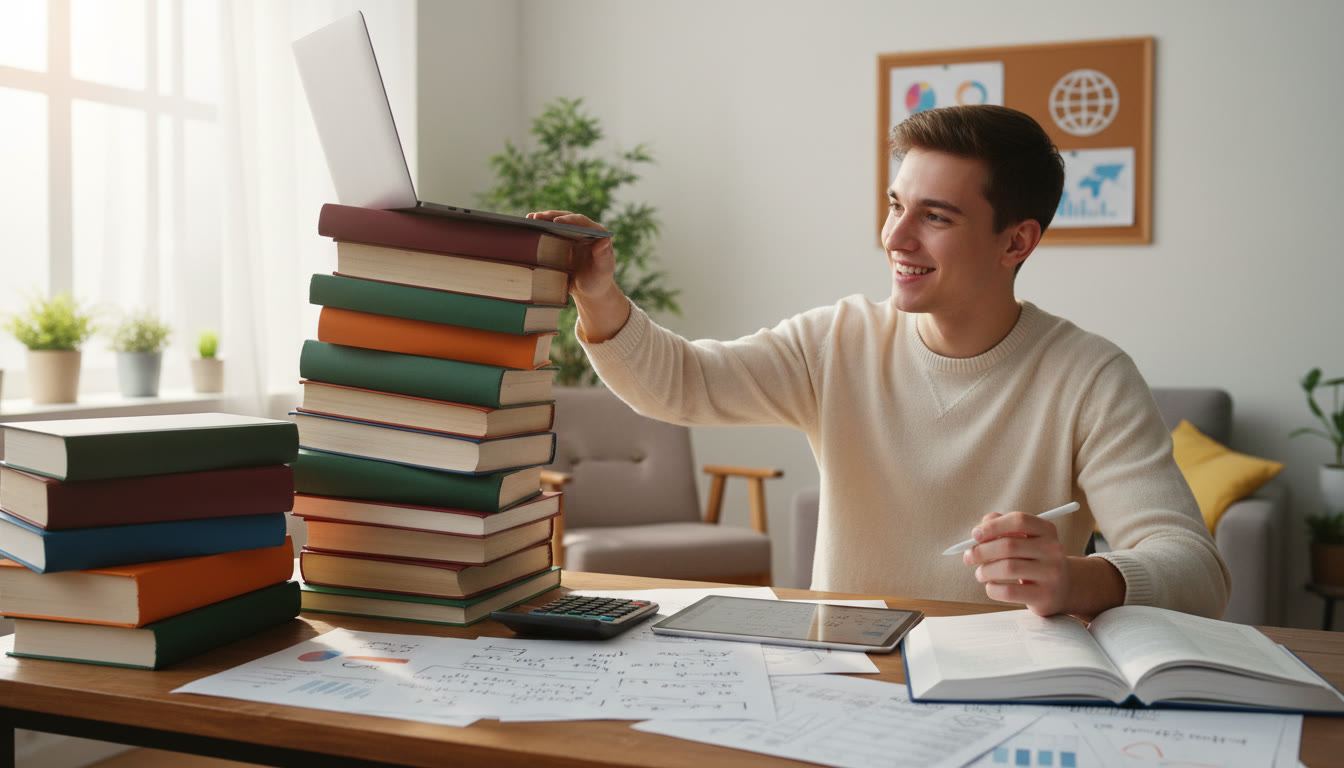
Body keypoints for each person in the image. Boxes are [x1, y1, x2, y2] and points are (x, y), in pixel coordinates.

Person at [528, 104, 1229, 621]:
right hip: (844, 672)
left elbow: (1196, 569)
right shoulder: (840, 340)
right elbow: (681, 386)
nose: (895, 235)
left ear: (1016, 242)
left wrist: (1080, 579)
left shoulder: (1090, 376)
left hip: (1005, 689)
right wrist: (599, 293)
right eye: (896, 204)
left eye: (936, 216)